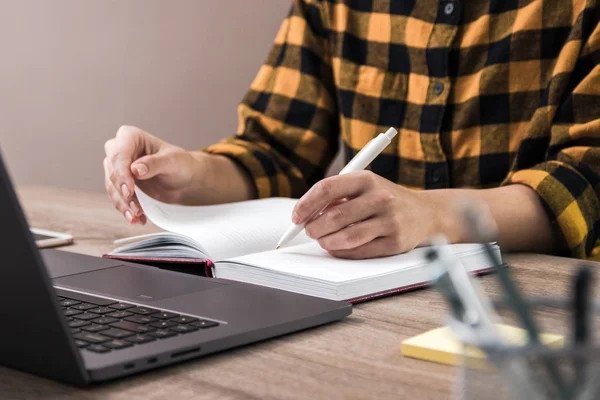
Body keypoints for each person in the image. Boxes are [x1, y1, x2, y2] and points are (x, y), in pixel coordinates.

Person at [103, 0, 600, 260]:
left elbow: (587, 183)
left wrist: (430, 215)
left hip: (538, 309)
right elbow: (277, 148)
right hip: (368, 307)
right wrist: (189, 172)